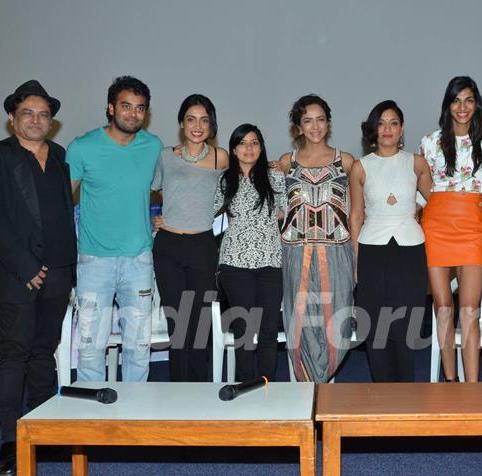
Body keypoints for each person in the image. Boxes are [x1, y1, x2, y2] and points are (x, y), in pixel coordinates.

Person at [0, 80, 76, 475]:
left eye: (44, 114)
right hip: (16, 275)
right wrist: (26, 267)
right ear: (12, 118)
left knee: (43, 354)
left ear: (51, 121)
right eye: (28, 113)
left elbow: (62, 213)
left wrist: (66, 268)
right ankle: (9, 441)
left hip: (59, 271)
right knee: (13, 356)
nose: (36, 120)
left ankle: (42, 430)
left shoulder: (61, 155)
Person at [67, 76, 163, 382]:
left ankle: (135, 411)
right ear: (110, 108)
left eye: (140, 108)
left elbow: (173, 188)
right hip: (95, 261)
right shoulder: (82, 147)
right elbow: (59, 201)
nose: (133, 114)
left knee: (138, 345)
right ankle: (91, 414)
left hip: (139, 260)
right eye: (125, 106)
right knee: (91, 345)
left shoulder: (154, 147)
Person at [419, 76, 482, 382]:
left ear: (476, 103)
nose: (462, 107)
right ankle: (450, 381)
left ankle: (473, 386)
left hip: (471, 224)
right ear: (448, 105)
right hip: (437, 222)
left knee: (469, 310)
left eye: (468, 100)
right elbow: (424, 188)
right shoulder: (430, 141)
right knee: (443, 308)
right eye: (456, 100)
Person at [274, 95, 355, 383]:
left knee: (337, 320)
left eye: (320, 119)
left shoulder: (345, 162)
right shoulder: (286, 163)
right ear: (298, 126)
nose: (315, 126)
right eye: (307, 120)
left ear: (328, 123)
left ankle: (325, 382)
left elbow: (361, 210)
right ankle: (304, 389)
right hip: (296, 253)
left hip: (337, 253)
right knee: (300, 321)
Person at [350, 100, 432, 382]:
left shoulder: (417, 163)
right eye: (382, 123)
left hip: (410, 250)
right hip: (372, 249)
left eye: (393, 122)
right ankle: (382, 392)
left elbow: (435, 204)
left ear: (402, 128)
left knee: (406, 325)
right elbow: (356, 215)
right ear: (373, 128)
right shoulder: (361, 167)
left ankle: (405, 394)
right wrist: (357, 261)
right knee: (375, 326)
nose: (387, 129)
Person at [151, 94, 228, 381]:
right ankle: (178, 392)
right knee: (178, 324)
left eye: (204, 120)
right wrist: (155, 218)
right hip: (168, 247)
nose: (197, 126)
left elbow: (235, 194)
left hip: (202, 246)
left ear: (212, 124)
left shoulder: (222, 158)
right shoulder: (166, 156)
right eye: (191, 119)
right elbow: (152, 190)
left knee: (200, 323)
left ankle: (199, 392)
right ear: (182, 123)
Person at [214, 124, 286, 382]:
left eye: (254, 142)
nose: (249, 148)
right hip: (235, 264)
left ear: (261, 147)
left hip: (270, 261)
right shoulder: (223, 180)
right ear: (234, 149)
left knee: (268, 330)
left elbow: (285, 212)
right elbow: (206, 215)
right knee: (243, 329)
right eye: (243, 143)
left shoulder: (275, 177)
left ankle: (267, 384)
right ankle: (245, 386)